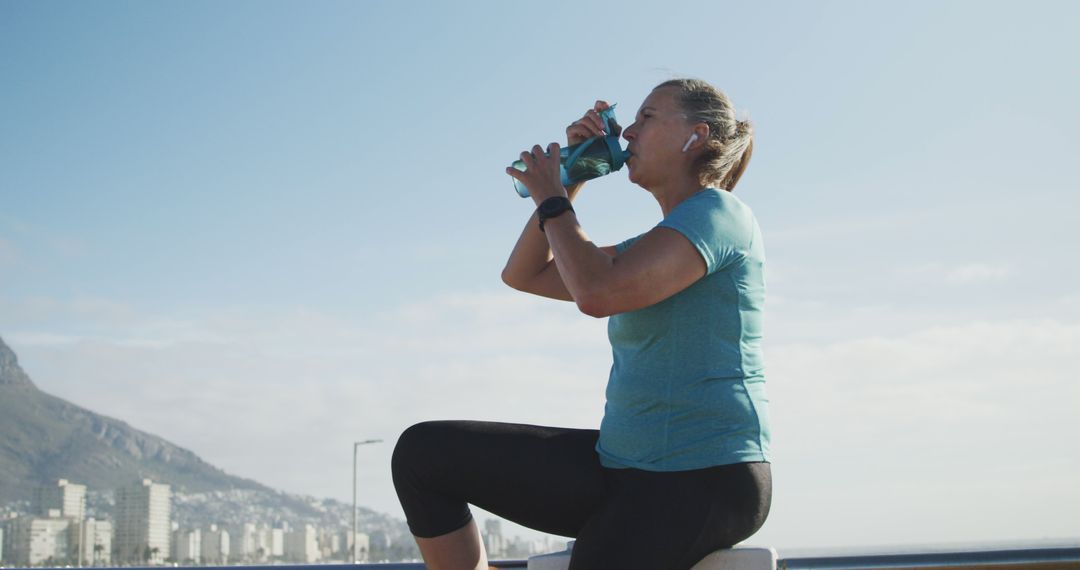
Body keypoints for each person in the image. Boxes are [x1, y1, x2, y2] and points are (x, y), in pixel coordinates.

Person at [391, 78, 772, 570]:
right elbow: (525, 274)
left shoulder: (720, 214)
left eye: (647, 118)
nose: (629, 133)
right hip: (621, 465)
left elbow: (597, 294)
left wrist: (552, 198)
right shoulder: (647, 247)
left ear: (695, 136)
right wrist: (571, 175)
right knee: (425, 455)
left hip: (703, 475)